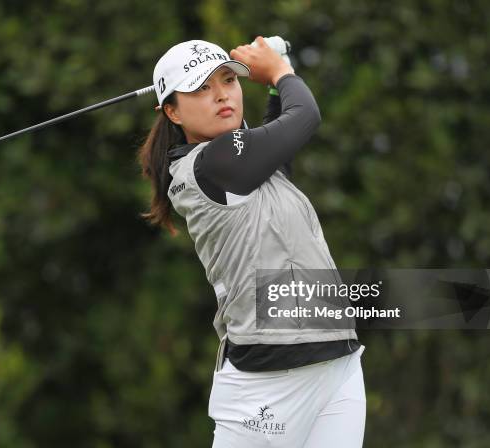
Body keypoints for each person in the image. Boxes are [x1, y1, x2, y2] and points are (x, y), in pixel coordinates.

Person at [138, 36, 366, 448]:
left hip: (338, 365)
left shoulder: (247, 162)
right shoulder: (213, 165)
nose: (221, 95)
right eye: (201, 88)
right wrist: (279, 71)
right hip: (266, 383)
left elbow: (279, 130)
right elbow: (305, 116)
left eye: (228, 80)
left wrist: (278, 80)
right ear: (171, 110)